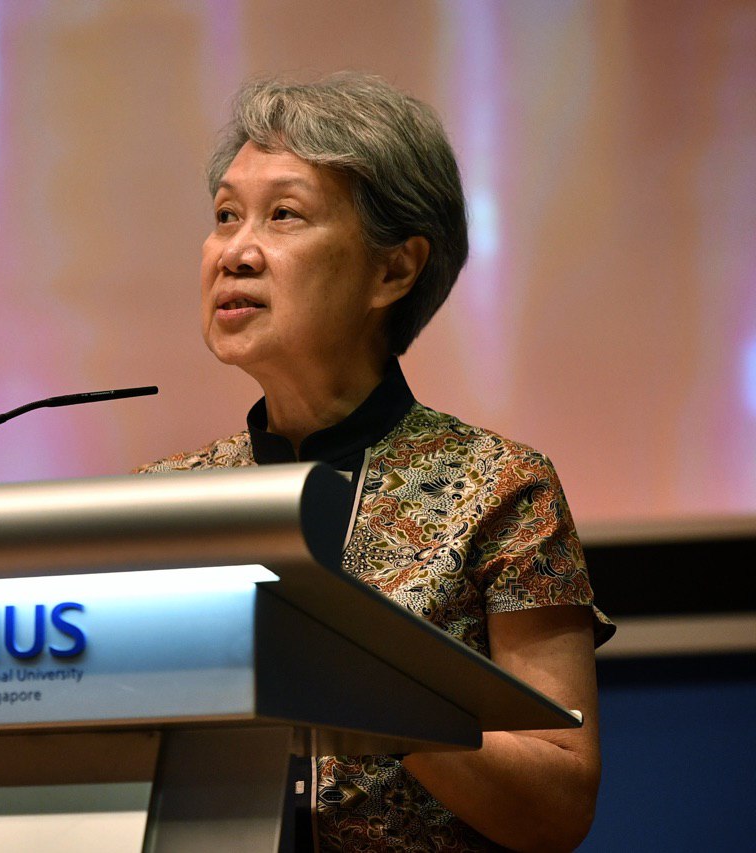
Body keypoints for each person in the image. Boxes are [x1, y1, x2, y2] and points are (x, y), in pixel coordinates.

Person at [137, 73, 614, 851]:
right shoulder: (159, 503)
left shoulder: (499, 488)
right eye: (225, 215)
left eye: (283, 214)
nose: (234, 253)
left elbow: (558, 803)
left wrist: (368, 686)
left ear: (394, 270)